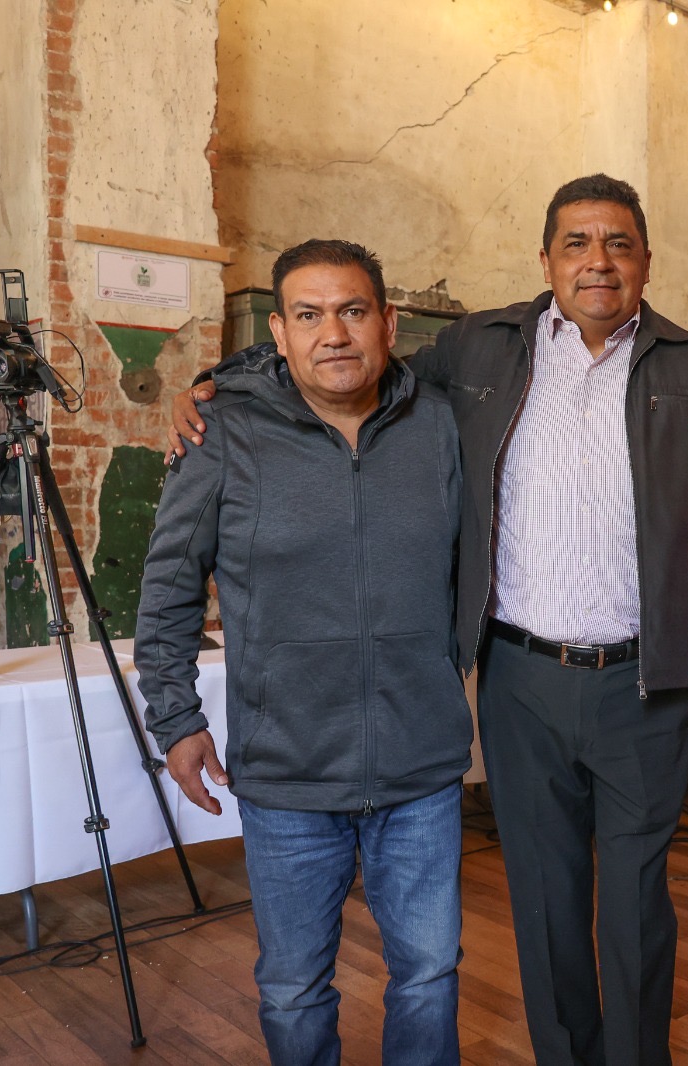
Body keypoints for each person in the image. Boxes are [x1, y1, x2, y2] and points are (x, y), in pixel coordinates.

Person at [169, 175, 688, 1066]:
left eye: (618, 244)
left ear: (646, 262)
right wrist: (217, 381)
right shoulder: (479, 349)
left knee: (638, 906)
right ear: (546, 260)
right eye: (576, 243)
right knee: (544, 900)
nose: (597, 261)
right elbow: (357, 360)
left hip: (644, 681)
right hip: (520, 677)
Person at [136, 239, 470, 1066]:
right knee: (292, 990)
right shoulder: (222, 430)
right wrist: (176, 719)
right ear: (279, 334)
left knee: (428, 977)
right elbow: (169, 587)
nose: (334, 334)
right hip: (287, 771)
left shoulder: (439, 426)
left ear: (387, 321)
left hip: (421, 767)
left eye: (353, 311)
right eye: (309, 315)